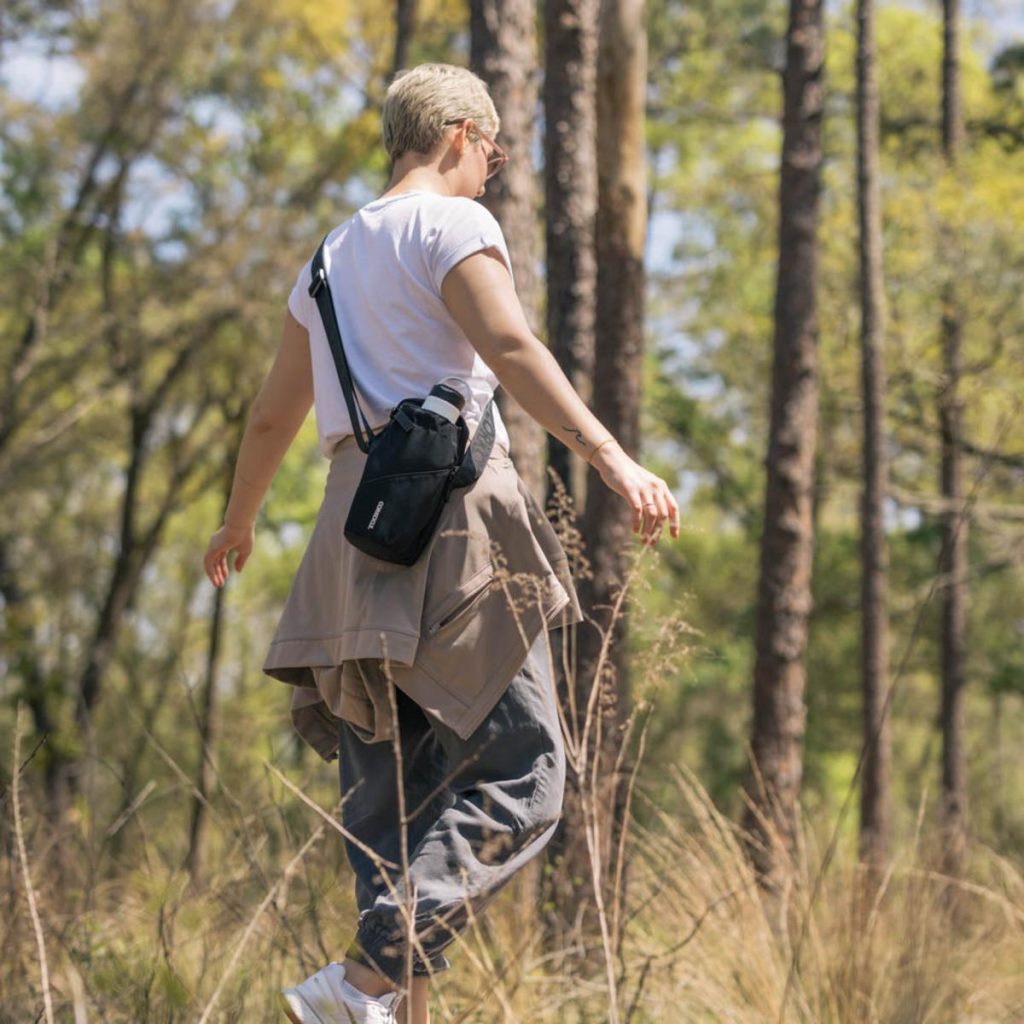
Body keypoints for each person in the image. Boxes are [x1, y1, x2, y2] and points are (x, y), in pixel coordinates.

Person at [203, 63, 678, 1024]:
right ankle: (363, 985)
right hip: (457, 520)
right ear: (461, 133)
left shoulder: (326, 261)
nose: (492, 174)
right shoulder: (455, 226)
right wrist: (611, 456)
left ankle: (373, 1001)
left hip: (353, 538)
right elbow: (509, 350)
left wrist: (240, 519)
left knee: (394, 819)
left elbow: (269, 419)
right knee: (528, 777)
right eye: (494, 155)